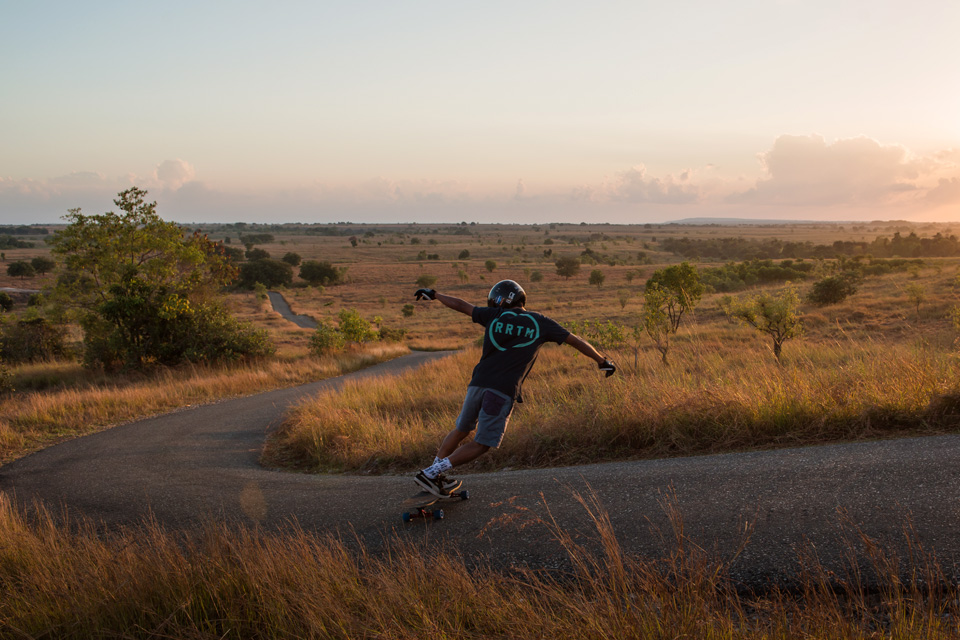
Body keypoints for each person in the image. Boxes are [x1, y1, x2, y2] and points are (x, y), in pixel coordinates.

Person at [412, 279, 617, 496]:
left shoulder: (494, 316)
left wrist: (434, 294)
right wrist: (601, 360)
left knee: (462, 430)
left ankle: (433, 475)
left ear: (500, 300)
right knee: (482, 443)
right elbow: (575, 340)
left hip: (477, 384)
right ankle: (432, 472)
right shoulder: (540, 322)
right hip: (500, 390)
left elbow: (462, 305)